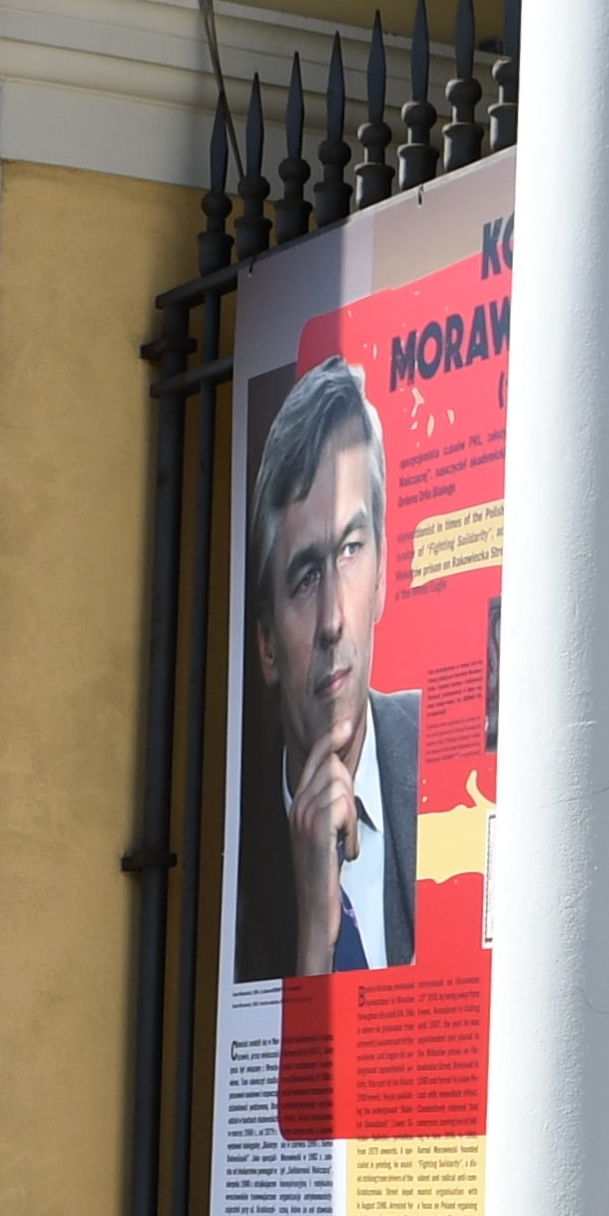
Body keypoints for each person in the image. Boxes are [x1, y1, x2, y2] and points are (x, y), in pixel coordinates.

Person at [231, 354, 423, 976]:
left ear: (384, 574)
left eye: (350, 550)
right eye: (307, 576)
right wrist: (315, 936)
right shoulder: (235, 873)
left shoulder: (443, 756)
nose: (334, 620)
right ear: (266, 645)